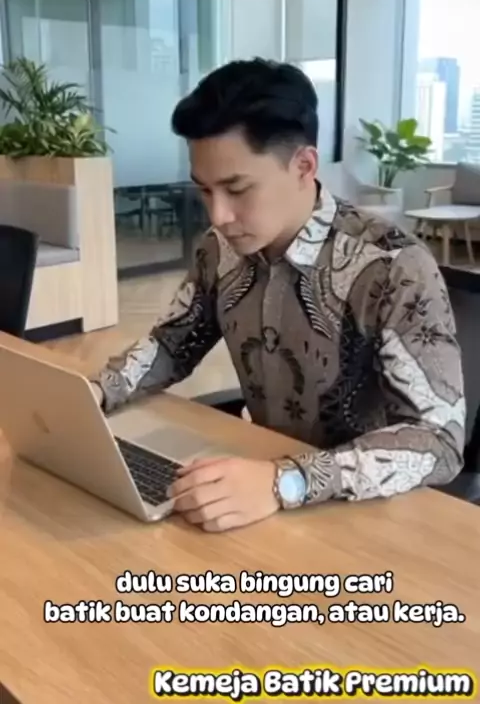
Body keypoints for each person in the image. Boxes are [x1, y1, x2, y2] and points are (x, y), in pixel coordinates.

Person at [91, 57, 466, 533]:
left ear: (304, 166)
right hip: (259, 487)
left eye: (237, 189)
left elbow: (439, 440)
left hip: (365, 515)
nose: (218, 216)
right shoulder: (219, 251)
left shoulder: (392, 267)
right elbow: (172, 344)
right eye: (204, 191)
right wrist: (95, 393)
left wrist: (285, 482)